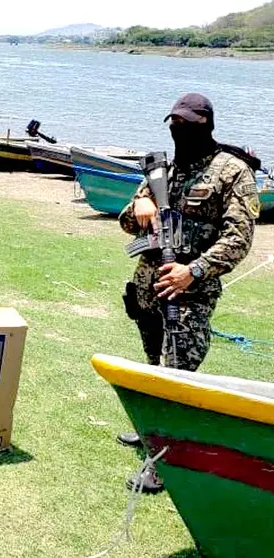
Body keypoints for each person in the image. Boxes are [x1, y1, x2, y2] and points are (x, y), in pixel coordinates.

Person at [118, 93, 260, 493]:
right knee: (152, 364)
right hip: (149, 283)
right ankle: (151, 430)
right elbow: (128, 224)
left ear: (206, 125)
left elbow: (238, 239)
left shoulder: (232, 172)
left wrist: (192, 271)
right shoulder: (165, 170)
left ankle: (163, 463)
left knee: (179, 372)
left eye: (186, 125)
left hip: (191, 292)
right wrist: (140, 204)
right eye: (173, 124)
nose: (177, 130)